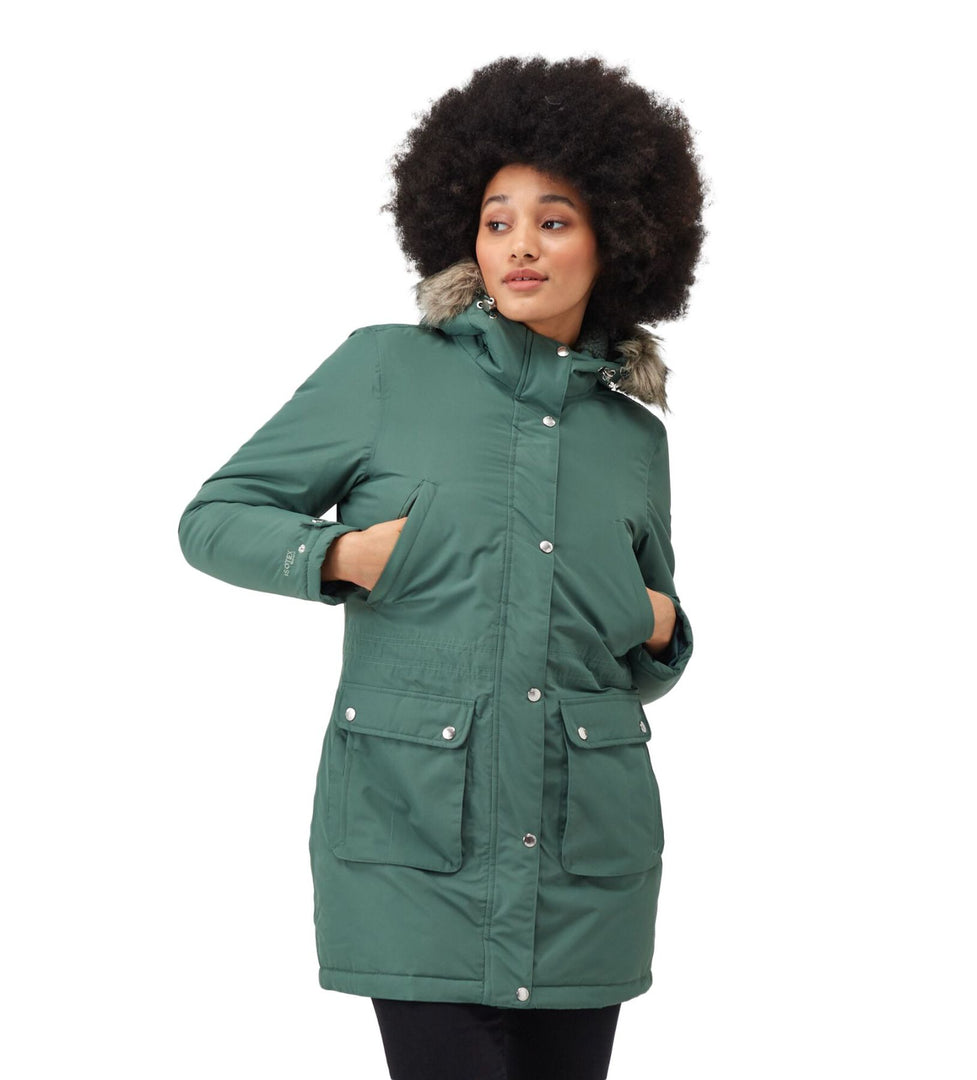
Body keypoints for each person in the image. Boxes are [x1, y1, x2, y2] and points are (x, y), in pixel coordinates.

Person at [178, 55, 705, 1080]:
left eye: (553, 221)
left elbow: (642, 651)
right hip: (417, 841)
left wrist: (659, 629)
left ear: (619, 237)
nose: (520, 245)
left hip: (588, 866)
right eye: (497, 221)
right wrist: (336, 554)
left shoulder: (633, 438)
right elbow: (214, 519)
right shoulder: (386, 368)